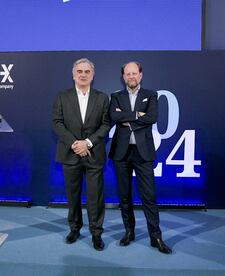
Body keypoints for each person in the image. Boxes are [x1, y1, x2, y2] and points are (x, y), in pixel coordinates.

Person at [109, 61, 172, 254]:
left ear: (141, 75)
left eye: (134, 73)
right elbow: (114, 117)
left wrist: (128, 118)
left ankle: (156, 237)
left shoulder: (151, 95)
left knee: (149, 197)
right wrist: (138, 116)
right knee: (125, 196)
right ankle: (129, 232)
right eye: (127, 74)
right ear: (123, 77)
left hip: (143, 153)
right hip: (121, 153)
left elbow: (152, 117)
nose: (131, 77)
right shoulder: (116, 97)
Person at [52, 58, 111, 251]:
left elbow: (106, 124)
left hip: (94, 154)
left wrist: (88, 143)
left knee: (95, 197)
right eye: (80, 71)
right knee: (73, 195)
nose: (83, 74)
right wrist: (75, 144)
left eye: (87, 71)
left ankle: (96, 233)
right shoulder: (62, 96)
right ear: (73, 74)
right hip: (70, 154)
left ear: (93, 75)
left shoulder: (102, 98)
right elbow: (57, 123)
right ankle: (74, 229)